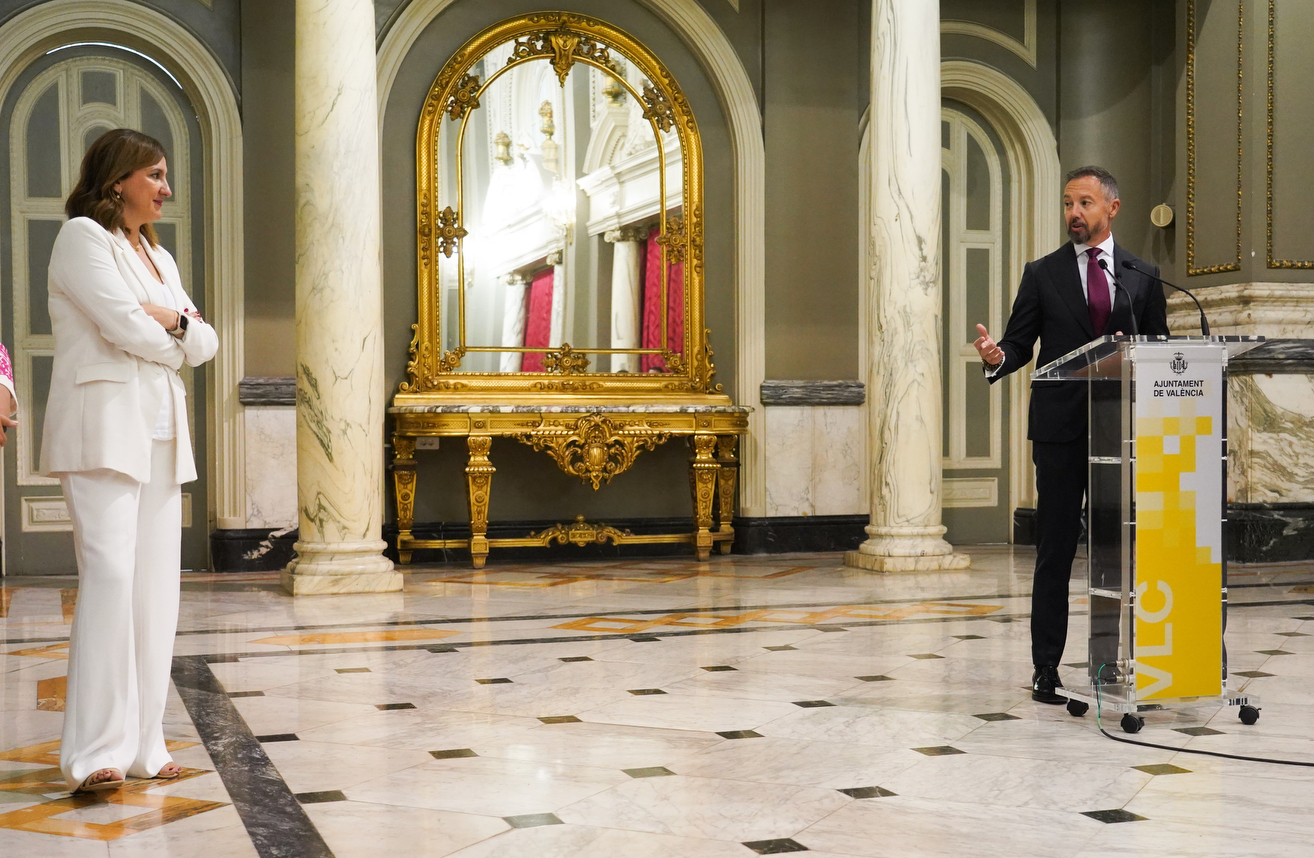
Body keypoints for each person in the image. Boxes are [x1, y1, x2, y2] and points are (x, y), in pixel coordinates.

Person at [41, 128, 218, 792]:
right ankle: (95, 752)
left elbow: (206, 341)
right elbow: (121, 324)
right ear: (118, 181)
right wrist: (174, 333)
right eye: (155, 176)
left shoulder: (158, 255)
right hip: (103, 429)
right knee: (111, 580)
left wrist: (172, 322)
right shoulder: (82, 238)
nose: (166, 188)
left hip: (162, 434)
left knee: (155, 592)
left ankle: (146, 744)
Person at [973, 166, 1168, 704]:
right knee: (1055, 550)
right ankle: (1046, 668)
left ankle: (1119, 662)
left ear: (1112, 208)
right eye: (1067, 204)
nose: (1073, 213)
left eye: (1084, 203)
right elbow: (1019, 345)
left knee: (1120, 552)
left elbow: (1160, 349)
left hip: (1122, 433)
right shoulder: (1043, 273)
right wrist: (996, 356)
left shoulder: (1143, 274)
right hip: (1060, 432)